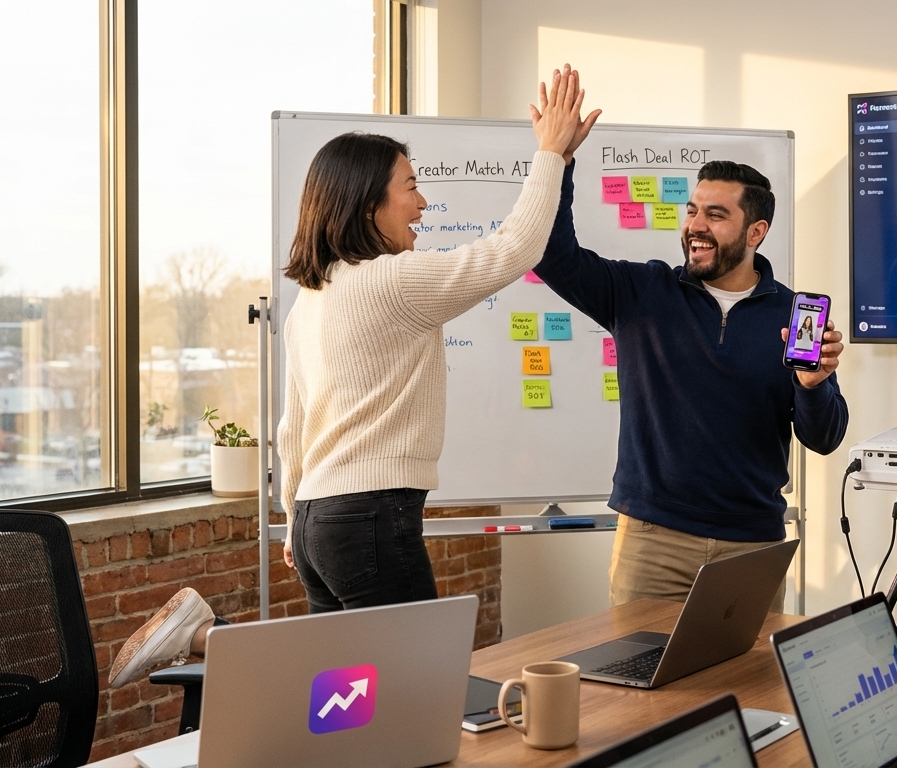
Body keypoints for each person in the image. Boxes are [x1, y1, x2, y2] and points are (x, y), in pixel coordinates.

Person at [106, 66, 600, 688]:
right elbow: (513, 250)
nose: (423, 203)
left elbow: (294, 423)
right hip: (369, 517)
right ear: (370, 204)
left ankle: (208, 636)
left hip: (320, 520)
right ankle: (205, 636)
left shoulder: (313, 297)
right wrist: (550, 154)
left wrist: (295, 516)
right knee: (418, 684)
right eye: (412, 187)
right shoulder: (391, 281)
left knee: (342, 692)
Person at [534, 148, 849, 611]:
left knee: (747, 684)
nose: (696, 226)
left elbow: (824, 439)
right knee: (638, 679)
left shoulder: (792, 316)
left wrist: (812, 386)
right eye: (692, 211)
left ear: (756, 232)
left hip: (752, 546)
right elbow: (552, 256)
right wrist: (557, 159)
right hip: (652, 542)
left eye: (716, 215)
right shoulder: (641, 293)